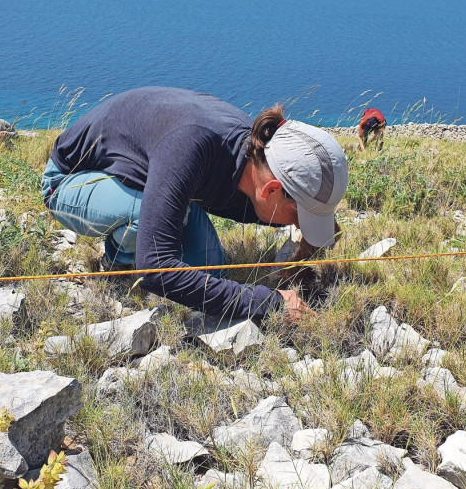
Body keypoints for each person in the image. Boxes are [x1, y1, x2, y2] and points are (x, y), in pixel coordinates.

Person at [42, 87, 348, 322]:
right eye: (297, 216)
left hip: (141, 177)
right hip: (70, 181)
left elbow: (288, 214)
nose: (295, 225)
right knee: (152, 227)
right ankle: (118, 258)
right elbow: (156, 267)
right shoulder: (191, 146)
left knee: (212, 272)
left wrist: (308, 243)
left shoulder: (255, 154)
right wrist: (269, 302)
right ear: (270, 190)